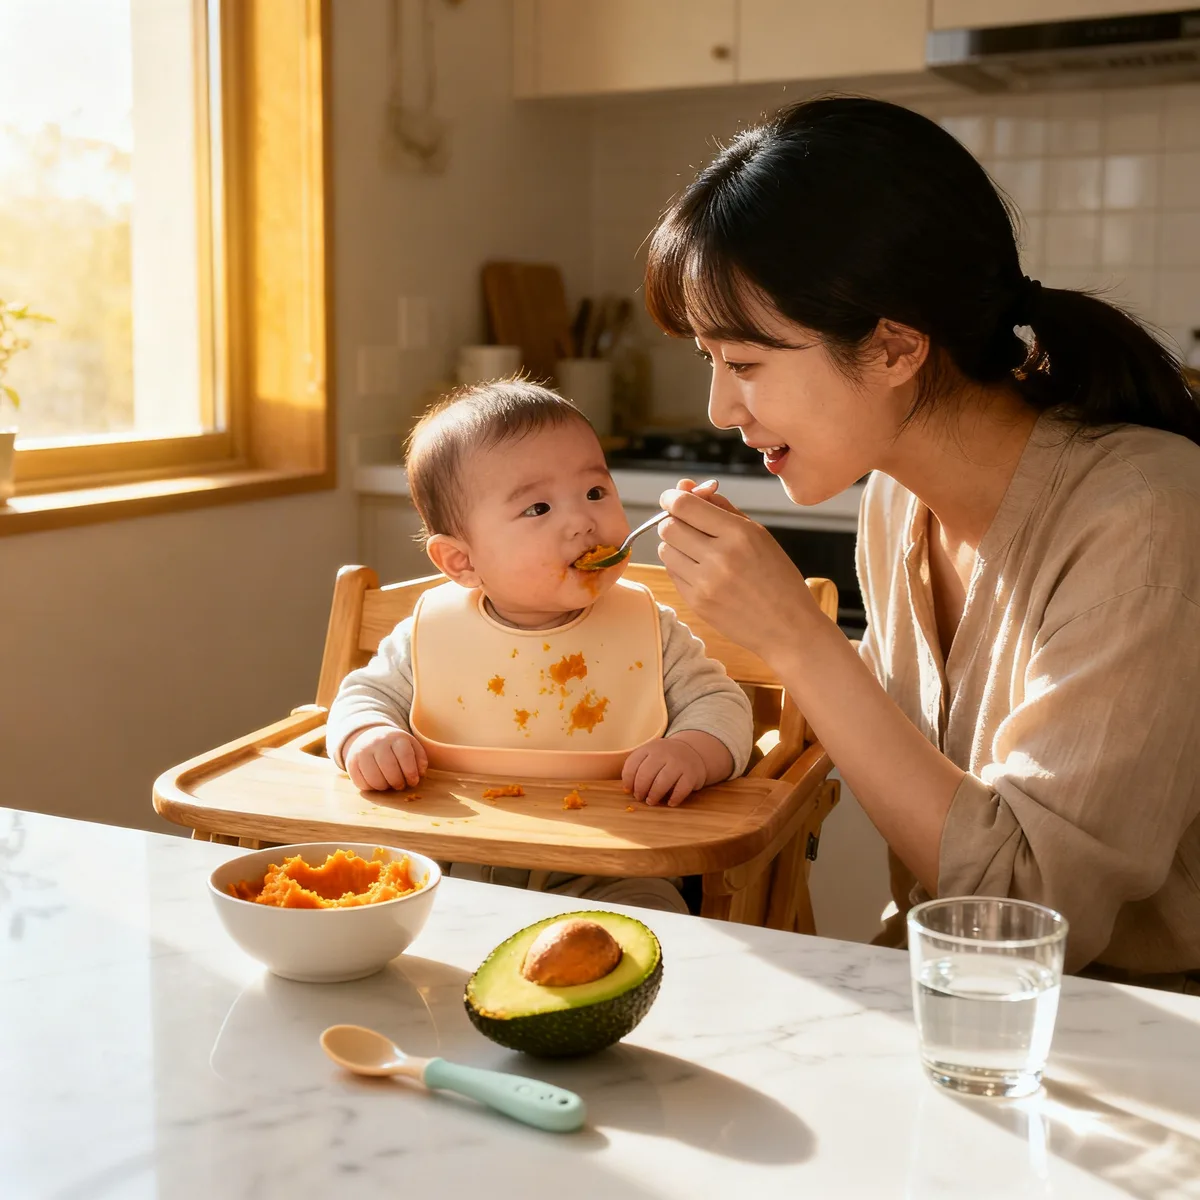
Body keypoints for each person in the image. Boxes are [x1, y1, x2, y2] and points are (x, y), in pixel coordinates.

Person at [644, 96, 1200, 985]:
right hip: (939, 1004)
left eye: (744, 364)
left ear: (896, 346)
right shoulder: (895, 504)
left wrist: (794, 633)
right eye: (709, 363)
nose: (720, 410)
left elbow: (1021, 912)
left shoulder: (1144, 516)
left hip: (1134, 1044)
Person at [325, 380, 753, 912]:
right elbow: (360, 698)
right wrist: (368, 737)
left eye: (596, 492)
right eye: (538, 508)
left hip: (608, 863)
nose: (583, 521)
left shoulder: (647, 626)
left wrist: (692, 750)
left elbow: (723, 705)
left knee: (654, 912)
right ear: (462, 562)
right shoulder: (430, 633)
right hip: (448, 859)